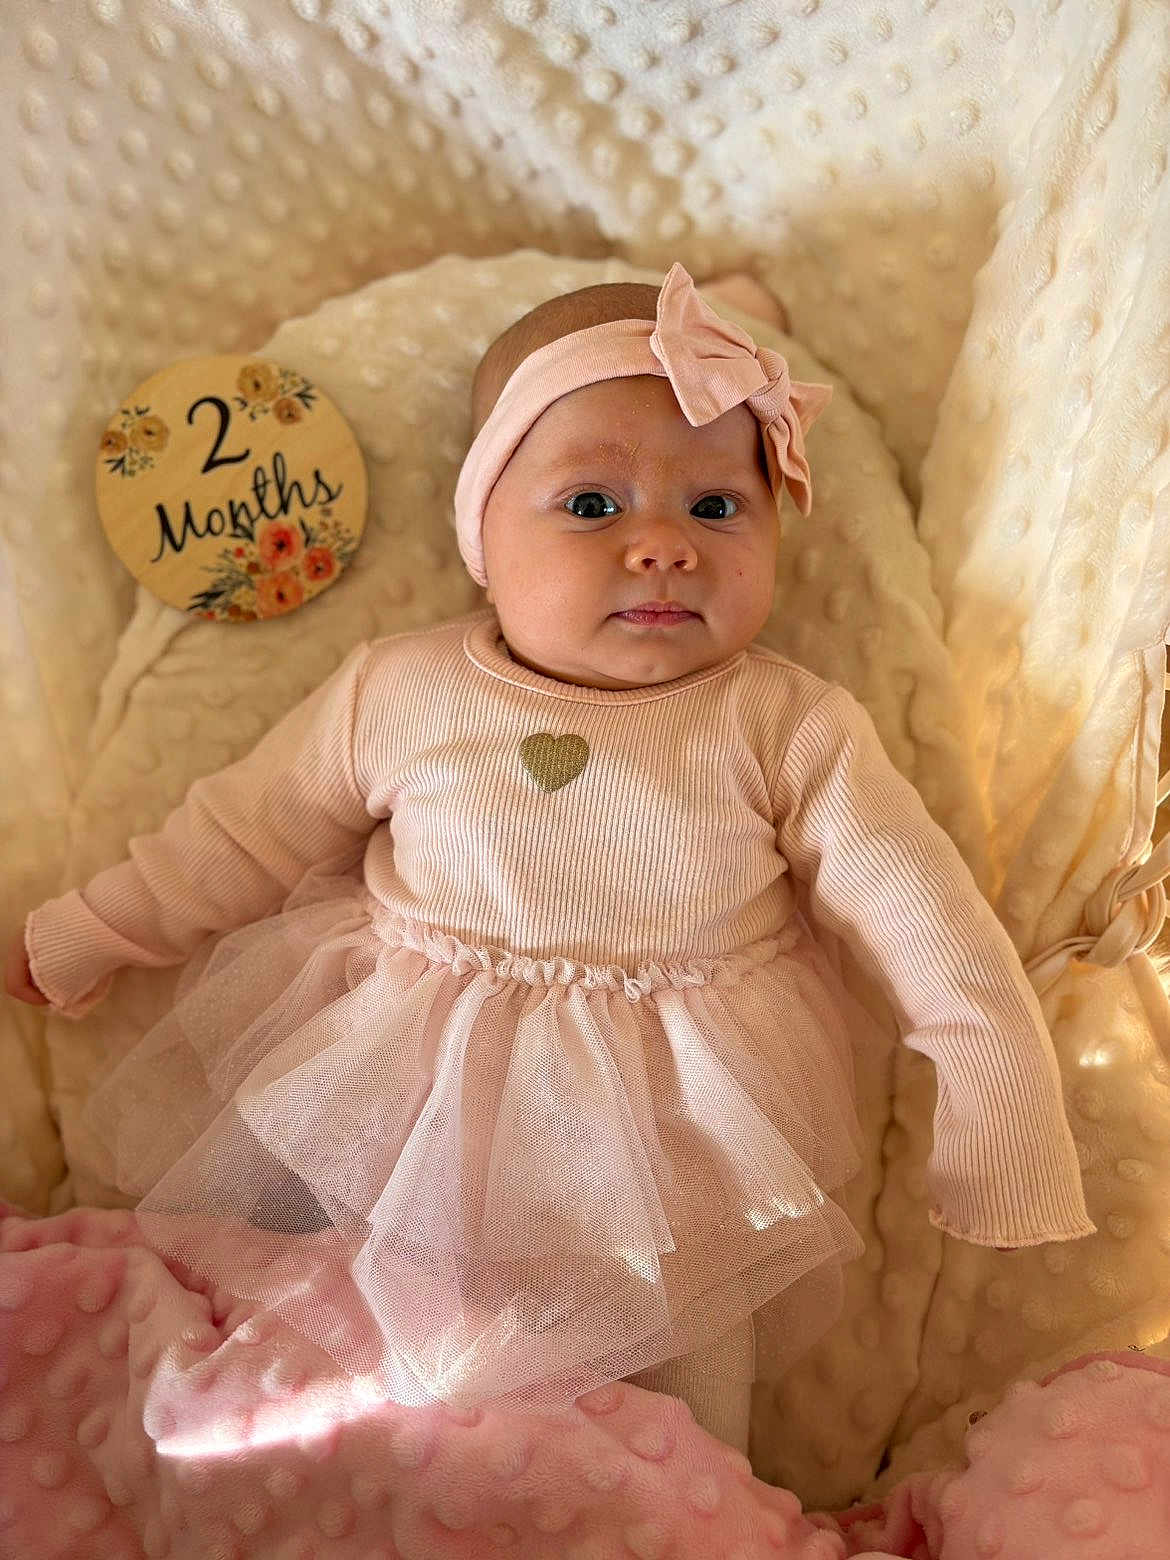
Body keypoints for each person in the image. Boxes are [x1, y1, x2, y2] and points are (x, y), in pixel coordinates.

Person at [5, 263, 1095, 1454]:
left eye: (717, 509)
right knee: (301, 1303)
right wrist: (95, 929)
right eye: (591, 506)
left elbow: (922, 916)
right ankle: (322, 1466)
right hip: (394, 1084)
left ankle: (622, 1509)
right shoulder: (400, 691)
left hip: (668, 1134)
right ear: (481, 535)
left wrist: (1000, 1098)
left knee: (651, 1395)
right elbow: (237, 835)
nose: (664, 548)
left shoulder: (785, 722)